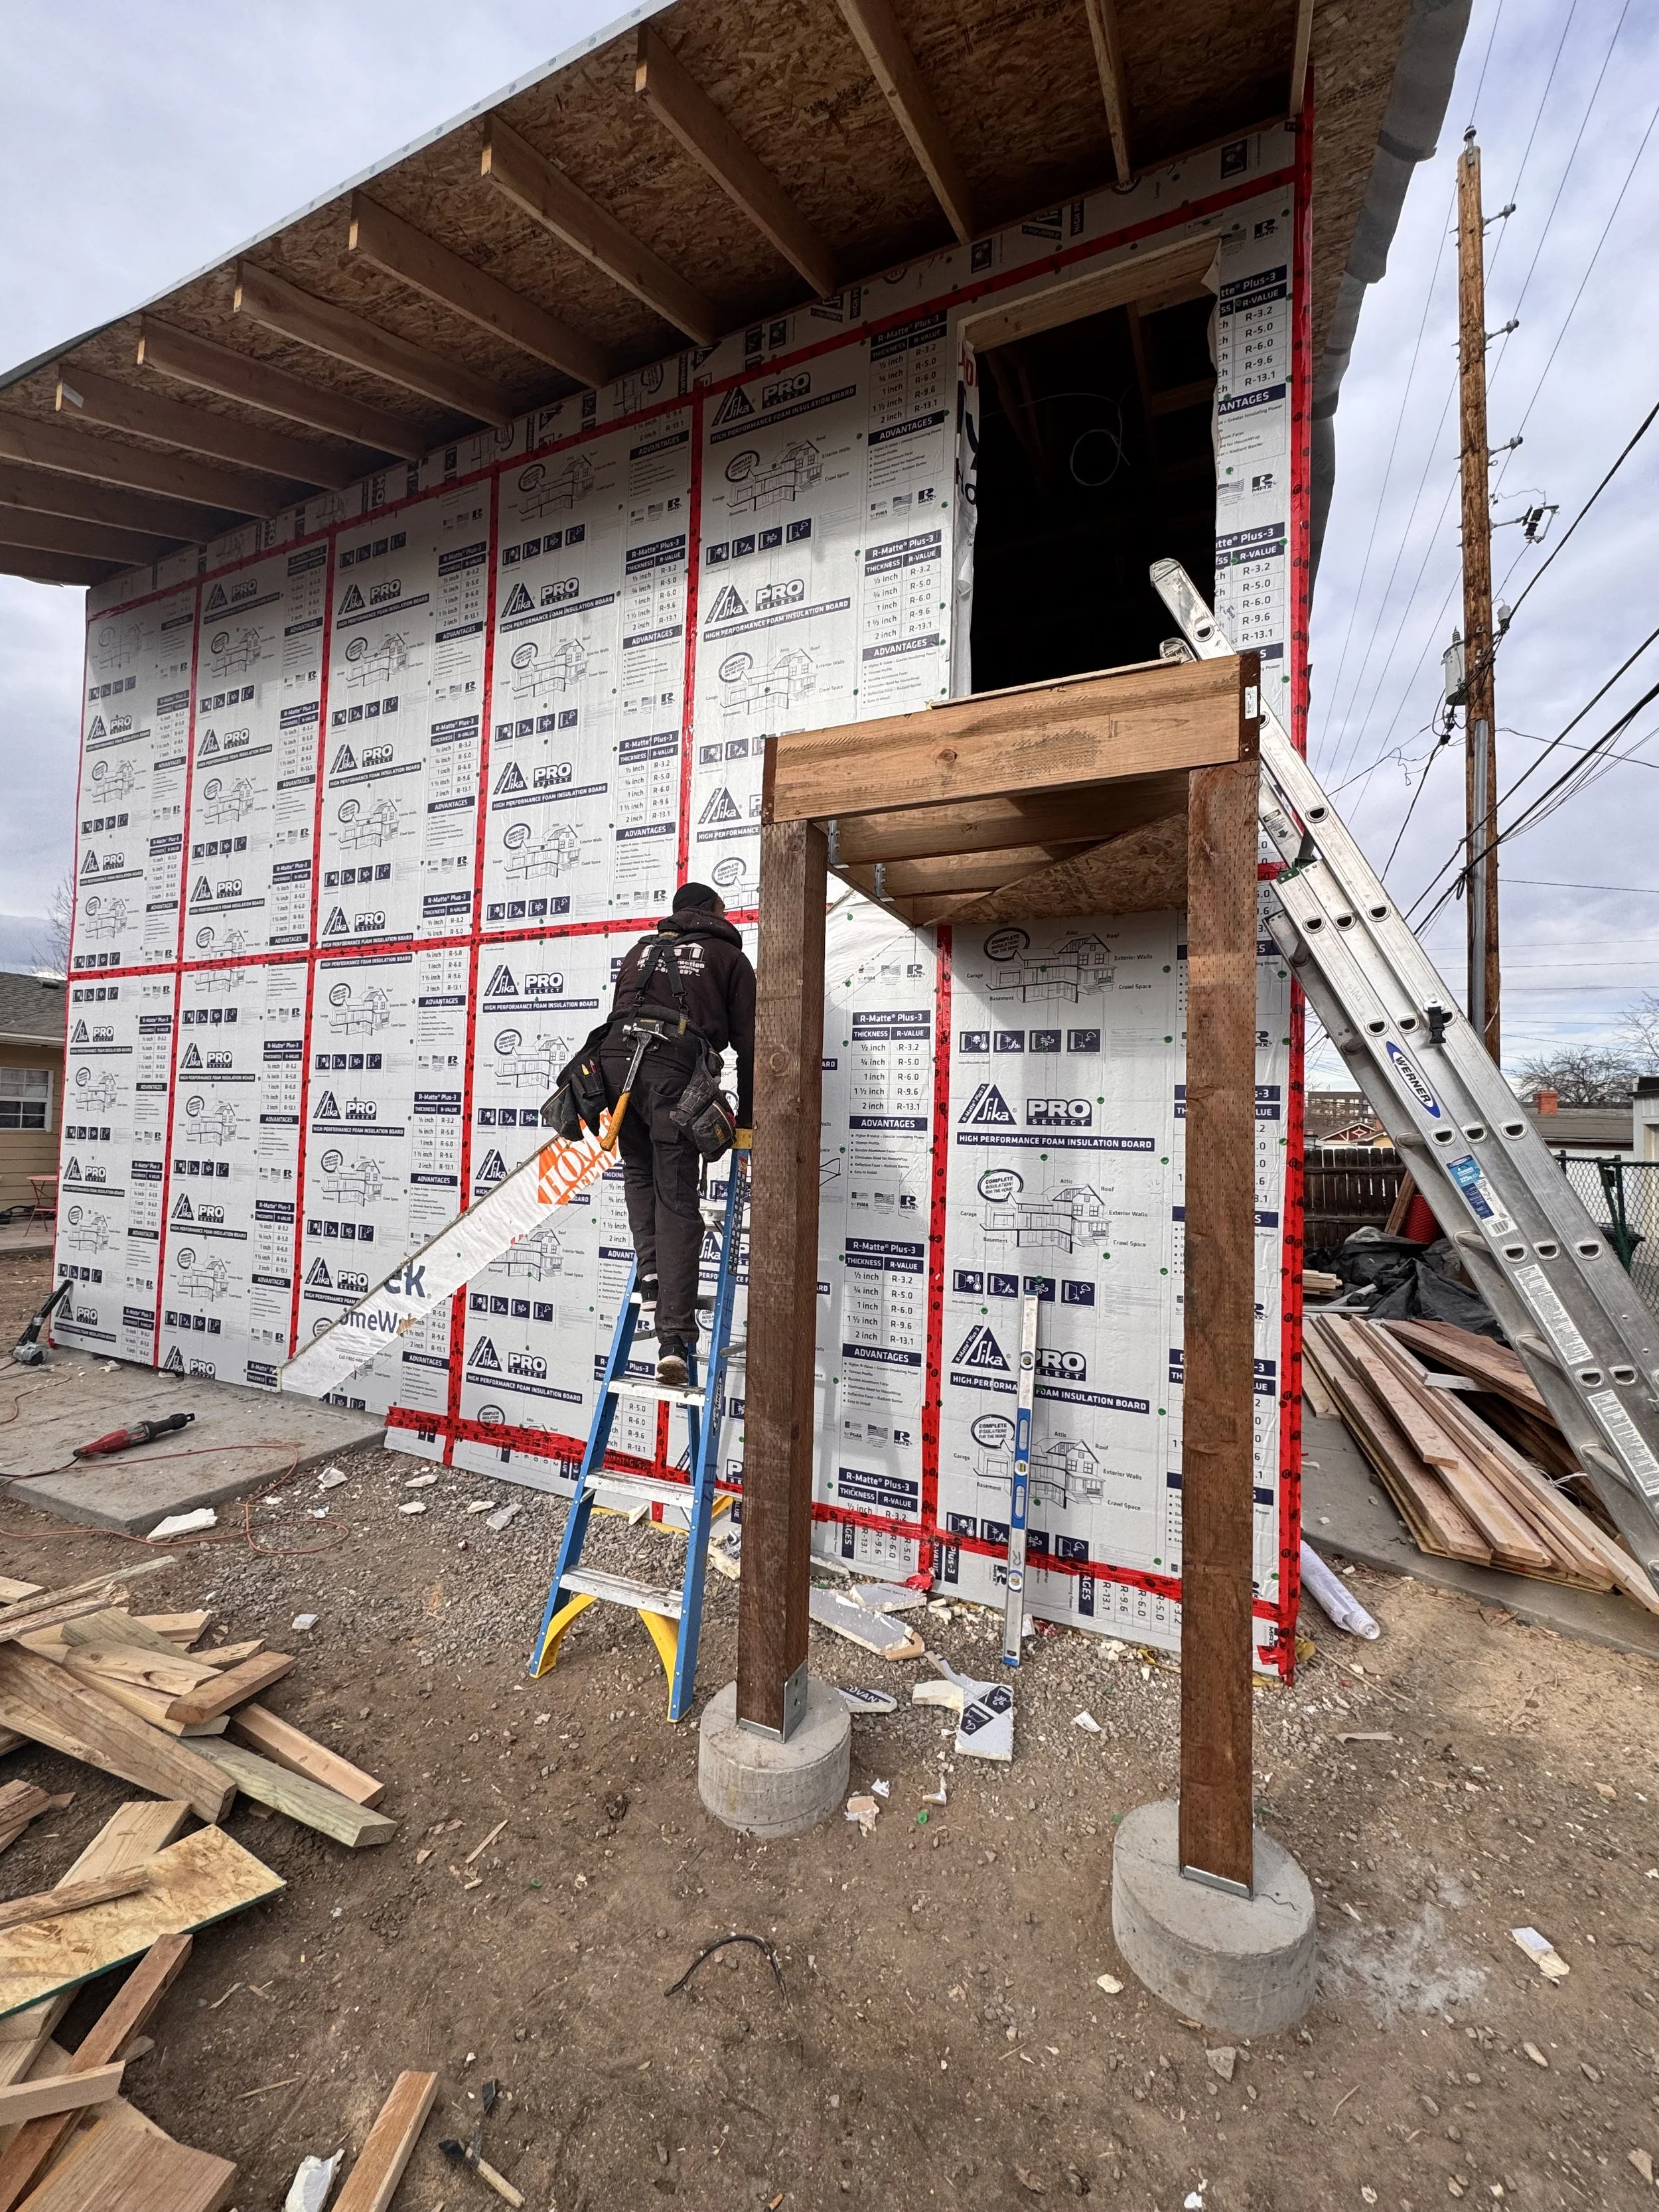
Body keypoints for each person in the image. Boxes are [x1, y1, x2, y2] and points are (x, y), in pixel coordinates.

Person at [599, 883, 755, 1386]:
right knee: (676, 1196)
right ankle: (674, 1338)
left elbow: (618, 1016)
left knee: (639, 1174)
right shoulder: (727, 957)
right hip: (672, 1073)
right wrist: (748, 1118)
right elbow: (751, 1046)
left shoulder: (639, 950)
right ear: (713, 912)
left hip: (617, 1067)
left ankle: (650, 1276)